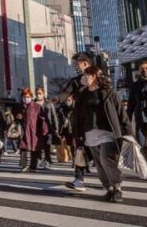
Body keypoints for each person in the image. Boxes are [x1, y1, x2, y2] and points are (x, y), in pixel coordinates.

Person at [75, 66, 134, 203]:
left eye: (86, 75)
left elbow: (121, 114)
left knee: (106, 159)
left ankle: (117, 187)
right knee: (99, 163)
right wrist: (78, 135)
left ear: (94, 76)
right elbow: (78, 117)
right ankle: (109, 189)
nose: (84, 78)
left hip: (108, 132)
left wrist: (128, 133)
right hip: (90, 134)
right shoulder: (83, 94)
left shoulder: (108, 92)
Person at [60, 52, 92, 191]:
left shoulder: (99, 78)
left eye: (76, 64)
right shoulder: (75, 81)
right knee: (79, 149)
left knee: (100, 152)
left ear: (85, 63)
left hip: (97, 121)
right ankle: (79, 179)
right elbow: (65, 93)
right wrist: (60, 100)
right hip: (80, 121)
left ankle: (112, 183)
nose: (75, 67)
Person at [14, 88, 48, 172]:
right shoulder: (19, 106)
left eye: (28, 96)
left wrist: (44, 129)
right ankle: (24, 165)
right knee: (23, 148)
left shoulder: (37, 107)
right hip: (23, 130)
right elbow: (14, 118)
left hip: (34, 131)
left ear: (31, 97)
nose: (26, 98)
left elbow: (42, 119)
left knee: (34, 149)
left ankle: (33, 167)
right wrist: (18, 117)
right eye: (24, 97)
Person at [35, 87, 58, 169]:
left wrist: (56, 127)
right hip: (37, 128)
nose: (38, 95)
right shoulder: (33, 104)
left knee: (47, 145)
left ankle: (47, 160)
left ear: (43, 94)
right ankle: (39, 160)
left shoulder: (49, 103)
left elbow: (54, 116)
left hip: (48, 128)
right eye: (37, 93)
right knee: (38, 145)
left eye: (40, 93)